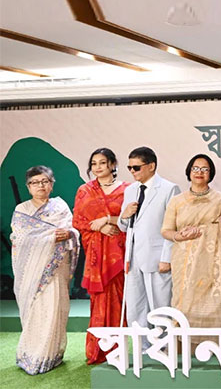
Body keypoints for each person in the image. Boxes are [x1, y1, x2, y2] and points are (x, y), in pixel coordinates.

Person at [11, 166, 80, 375]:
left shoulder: (60, 206)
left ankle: (50, 355)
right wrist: (50, 237)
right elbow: (19, 238)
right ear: (28, 187)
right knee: (35, 310)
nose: (40, 186)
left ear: (52, 184)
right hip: (31, 272)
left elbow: (72, 229)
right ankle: (31, 354)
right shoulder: (22, 210)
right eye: (35, 182)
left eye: (45, 181)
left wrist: (70, 234)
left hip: (56, 267)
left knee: (54, 308)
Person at [160, 154, 221, 349]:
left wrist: (205, 230)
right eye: (195, 168)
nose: (199, 172)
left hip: (215, 262)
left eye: (204, 169)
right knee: (184, 302)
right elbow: (166, 230)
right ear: (189, 172)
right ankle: (183, 349)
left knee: (215, 301)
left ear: (211, 174)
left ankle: (214, 348)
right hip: (184, 261)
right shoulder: (177, 201)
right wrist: (179, 236)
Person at [119, 147, 181, 347]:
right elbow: (123, 226)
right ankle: (142, 348)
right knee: (135, 306)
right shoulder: (130, 190)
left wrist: (167, 258)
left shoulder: (169, 189)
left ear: (151, 166)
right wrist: (124, 215)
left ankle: (165, 348)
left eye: (136, 167)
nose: (132, 171)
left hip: (157, 257)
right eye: (129, 168)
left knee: (160, 306)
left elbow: (173, 227)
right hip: (132, 257)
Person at [72, 148, 129, 364]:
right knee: (99, 301)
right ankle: (97, 350)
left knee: (120, 301)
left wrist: (108, 220)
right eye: (94, 163)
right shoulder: (85, 190)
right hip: (97, 256)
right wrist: (100, 228)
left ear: (113, 164)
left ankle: (118, 350)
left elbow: (132, 218)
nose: (97, 167)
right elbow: (78, 221)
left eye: (102, 163)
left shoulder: (128, 189)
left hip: (120, 254)